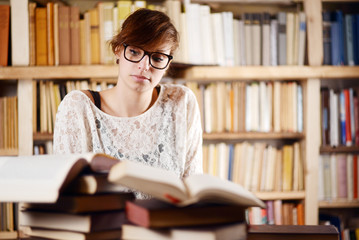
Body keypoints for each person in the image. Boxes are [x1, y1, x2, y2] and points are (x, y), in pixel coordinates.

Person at [53, 8, 203, 189]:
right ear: (118, 50)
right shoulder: (78, 108)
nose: (144, 66)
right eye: (134, 52)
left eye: (157, 57)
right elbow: (66, 194)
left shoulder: (182, 102)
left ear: (167, 64)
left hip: (168, 218)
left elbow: (193, 189)